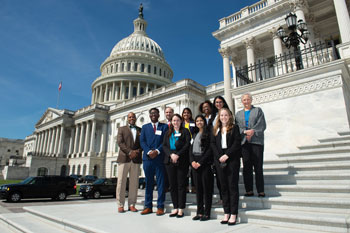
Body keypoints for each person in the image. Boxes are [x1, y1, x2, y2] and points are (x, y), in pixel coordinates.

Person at [211, 108, 241, 226]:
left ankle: (233, 213)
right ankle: (226, 212)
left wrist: (227, 155)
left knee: (232, 187)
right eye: (221, 115)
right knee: (223, 187)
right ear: (219, 117)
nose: (223, 117)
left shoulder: (234, 128)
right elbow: (213, 144)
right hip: (219, 160)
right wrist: (220, 156)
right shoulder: (216, 130)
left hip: (232, 159)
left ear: (229, 116)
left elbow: (237, 143)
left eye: (226, 115)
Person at [235, 93, 266, 197]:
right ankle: (249, 190)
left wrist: (253, 131)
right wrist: (244, 132)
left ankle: (260, 190)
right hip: (244, 142)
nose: (246, 101)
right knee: (247, 166)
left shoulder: (258, 110)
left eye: (248, 99)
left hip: (256, 142)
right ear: (242, 101)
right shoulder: (238, 114)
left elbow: (262, 124)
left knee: (258, 166)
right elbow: (236, 127)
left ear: (251, 100)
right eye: (244, 100)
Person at [140, 108, 168, 215]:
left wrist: (157, 151)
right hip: (147, 159)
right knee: (149, 183)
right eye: (151, 113)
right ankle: (148, 206)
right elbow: (142, 141)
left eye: (155, 113)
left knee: (161, 183)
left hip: (159, 158)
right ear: (149, 115)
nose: (153, 115)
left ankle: (160, 206)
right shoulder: (145, 127)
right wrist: (148, 151)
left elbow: (165, 142)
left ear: (158, 114)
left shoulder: (164, 126)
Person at [163, 114, 191, 218]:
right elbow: (164, 146)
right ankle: (175, 207)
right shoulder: (168, 133)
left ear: (181, 121)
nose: (176, 122)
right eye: (174, 120)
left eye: (178, 120)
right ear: (172, 122)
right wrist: (171, 154)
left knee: (181, 185)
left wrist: (177, 155)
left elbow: (187, 144)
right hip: (170, 160)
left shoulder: (185, 132)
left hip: (181, 160)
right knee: (173, 185)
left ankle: (181, 208)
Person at [116, 112, 142, 213]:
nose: (132, 118)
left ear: (135, 118)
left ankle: (132, 204)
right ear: (127, 119)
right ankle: (120, 204)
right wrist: (130, 152)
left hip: (136, 159)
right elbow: (120, 143)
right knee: (121, 182)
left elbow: (142, 143)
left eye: (133, 117)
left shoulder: (140, 130)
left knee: (134, 183)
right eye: (130, 117)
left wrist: (136, 152)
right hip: (124, 158)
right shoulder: (121, 129)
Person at [190, 115, 213, 221]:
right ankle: (199, 211)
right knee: (198, 189)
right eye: (197, 121)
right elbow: (190, 150)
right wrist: (192, 161)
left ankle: (207, 213)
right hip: (194, 164)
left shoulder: (208, 134)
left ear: (204, 122)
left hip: (204, 164)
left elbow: (209, 150)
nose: (199, 122)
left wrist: (200, 162)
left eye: (201, 120)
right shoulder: (194, 134)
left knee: (206, 189)